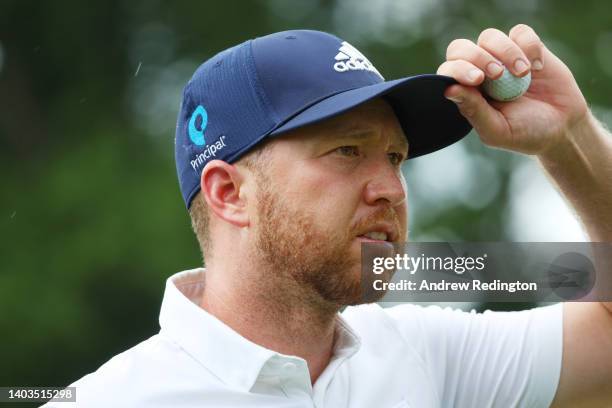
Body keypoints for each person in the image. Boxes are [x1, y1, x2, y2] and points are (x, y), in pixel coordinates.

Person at [45, 26, 612, 407]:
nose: (392, 188)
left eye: (395, 157)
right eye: (347, 151)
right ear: (228, 193)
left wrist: (571, 138)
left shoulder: (426, 353)